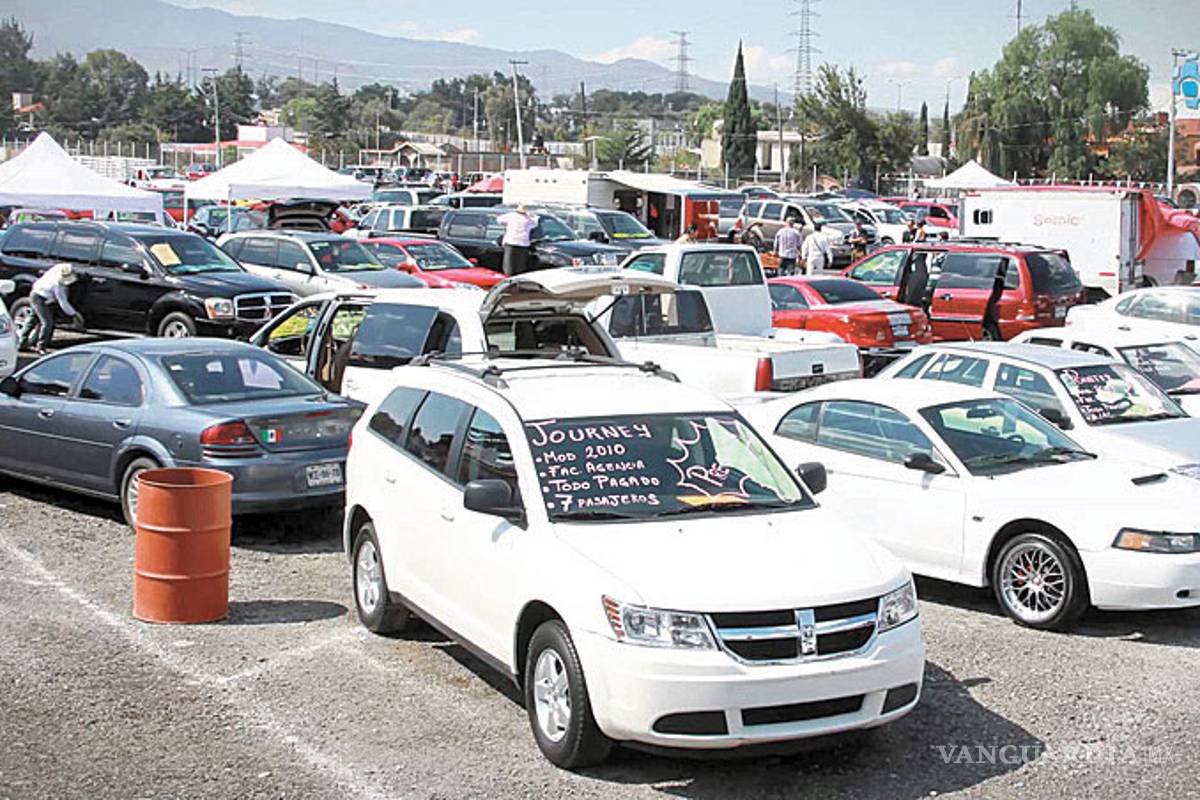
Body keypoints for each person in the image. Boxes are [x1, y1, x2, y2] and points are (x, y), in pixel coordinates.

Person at [23, 263, 84, 355]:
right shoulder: (58, 285)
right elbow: (63, 302)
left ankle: (22, 342)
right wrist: (74, 314)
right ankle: (41, 347)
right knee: (47, 322)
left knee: (33, 319)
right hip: (40, 298)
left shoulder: (60, 268)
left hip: (37, 293)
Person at [496, 205, 538, 276]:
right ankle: (517, 280)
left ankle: (508, 278)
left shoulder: (511, 216)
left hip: (511, 242)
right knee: (520, 266)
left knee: (509, 265)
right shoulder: (528, 219)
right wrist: (533, 216)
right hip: (523, 244)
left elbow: (499, 220)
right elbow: (534, 224)